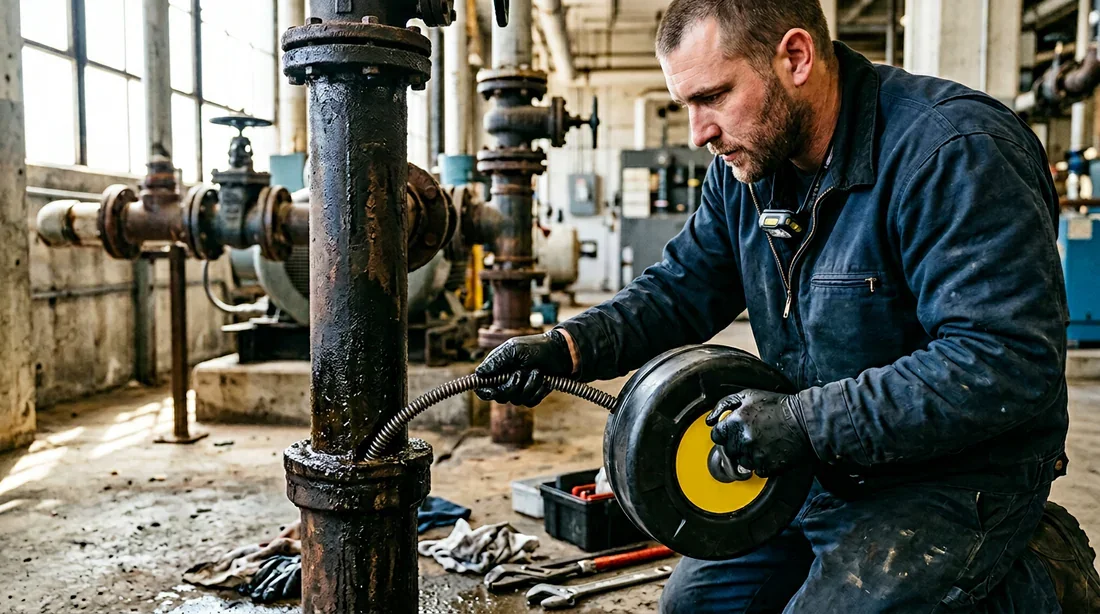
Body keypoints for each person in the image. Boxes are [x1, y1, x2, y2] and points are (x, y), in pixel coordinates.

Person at [474, 0, 1100, 611]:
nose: (698, 133)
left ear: (795, 57)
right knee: (692, 606)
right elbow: (683, 286)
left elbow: (1001, 361)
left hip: (954, 480)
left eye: (713, 96)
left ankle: (1034, 580)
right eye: (687, 105)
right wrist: (567, 347)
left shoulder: (954, 151)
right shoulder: (748, 168)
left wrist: (804, 422)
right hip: (817, 464)